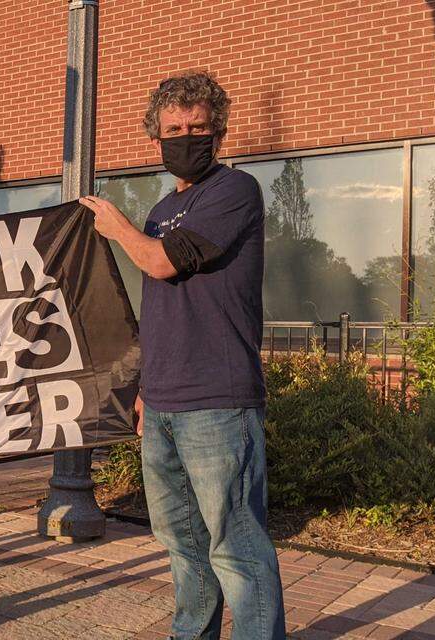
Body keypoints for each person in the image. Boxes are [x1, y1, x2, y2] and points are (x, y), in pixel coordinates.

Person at [80, 70, 286, 640]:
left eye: (198, 128)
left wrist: (116, 227)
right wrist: (146, 388)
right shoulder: (161, 211)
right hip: (164, 403)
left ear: (219, 133)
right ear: (156, 138)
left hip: (219, 398)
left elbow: (161, 263)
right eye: (174, 129)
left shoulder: (234, 190)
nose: (187, 138)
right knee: (182, 542)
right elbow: (161, 307)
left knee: (236, 545)